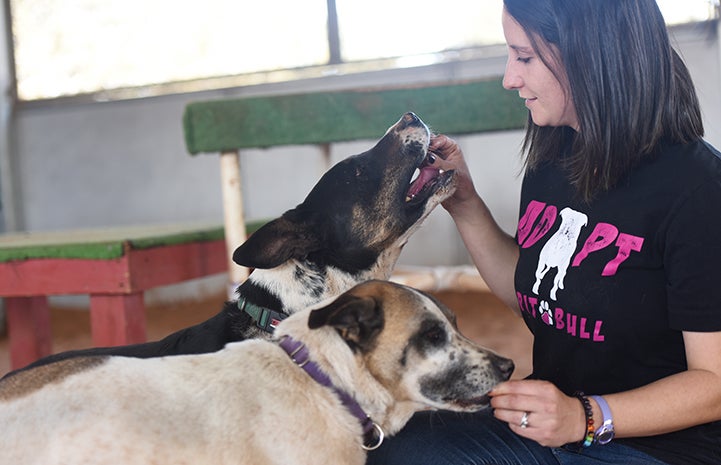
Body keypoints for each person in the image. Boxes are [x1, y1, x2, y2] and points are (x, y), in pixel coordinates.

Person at [366, 0, 721, 464]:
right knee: (388, 443)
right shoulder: (557, 153)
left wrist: (587, 417)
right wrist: (466, 204)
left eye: (525, 57)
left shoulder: (698, 191)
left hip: (656, 448)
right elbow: (539, 295)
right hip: (555, 428)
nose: (510, 78)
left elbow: (714, 383)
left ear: (592, 55)